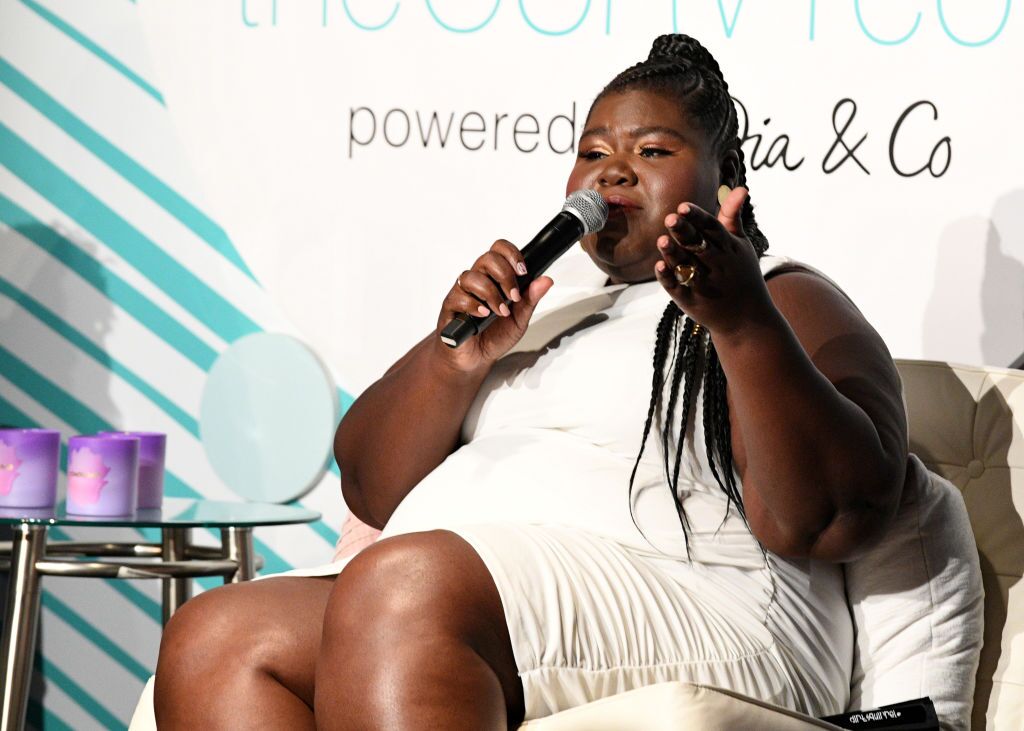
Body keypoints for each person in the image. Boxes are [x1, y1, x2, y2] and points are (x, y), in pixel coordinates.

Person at [154, 34, 910, 730]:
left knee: (404, 587)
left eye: (651, 149)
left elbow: (834, 513)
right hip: (469, 587)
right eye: (592, 152)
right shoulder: (546, 310)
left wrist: (742, 322)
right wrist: (453, 362)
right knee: (215, 636)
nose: (613, 168)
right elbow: (370, 487)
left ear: (724, 182)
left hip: (721, 604)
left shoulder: (784, 294)